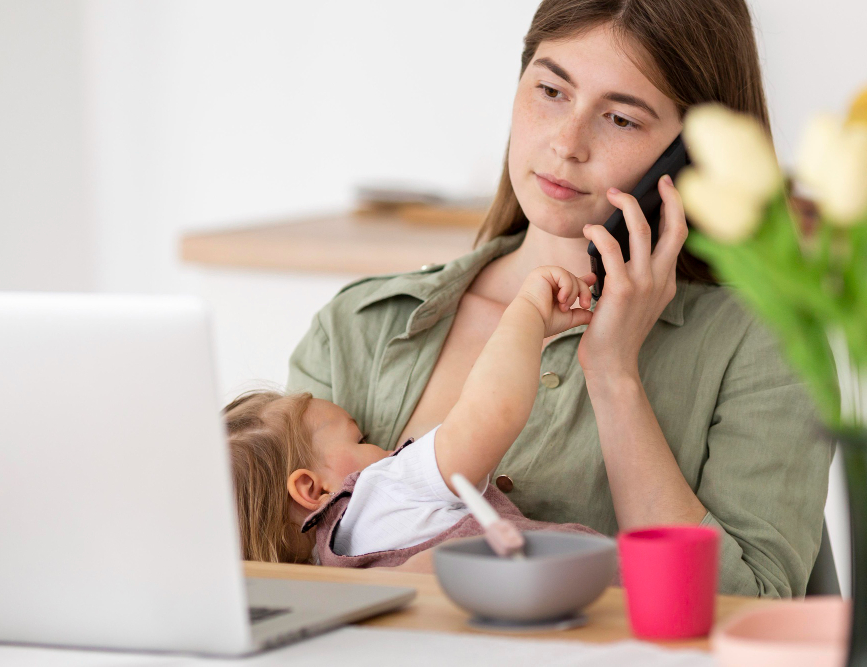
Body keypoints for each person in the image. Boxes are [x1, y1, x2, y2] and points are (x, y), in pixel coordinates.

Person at [287, 0, 832, 596]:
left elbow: (748, 611)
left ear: (693, 153)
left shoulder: (766, 345)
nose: (567, 143)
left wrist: (615, 375)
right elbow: (277, 576)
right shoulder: (357, 327)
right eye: (551, 91)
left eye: (621, 119)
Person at [225, 266, 598, 567]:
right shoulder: (380, 488)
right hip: (597, 587)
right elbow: (493, 412)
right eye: (360, 440)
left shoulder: (331, 568)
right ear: (314, 490)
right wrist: (528, 313)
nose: (384, 447)